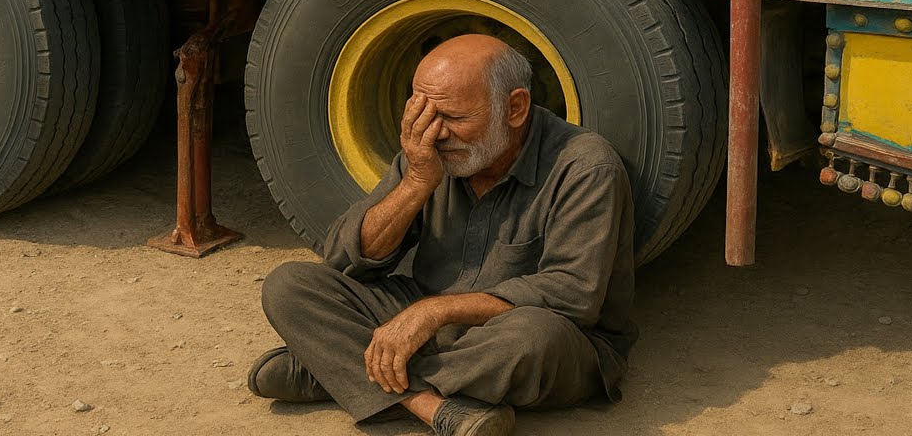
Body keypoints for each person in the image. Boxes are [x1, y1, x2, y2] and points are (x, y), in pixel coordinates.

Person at [249, 34, 637, 436]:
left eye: (453, 118)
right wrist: (416, 182)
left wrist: (434, 312)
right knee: (289, 285)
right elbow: (345, 258)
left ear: (515, 108)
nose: (435, 133)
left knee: (532, 339)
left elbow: (571, 296)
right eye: (423, 114)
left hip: (533, 333)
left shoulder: (586, 167)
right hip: (428, 316)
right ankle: (431, 405)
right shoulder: (431, 150)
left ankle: (341, 372)